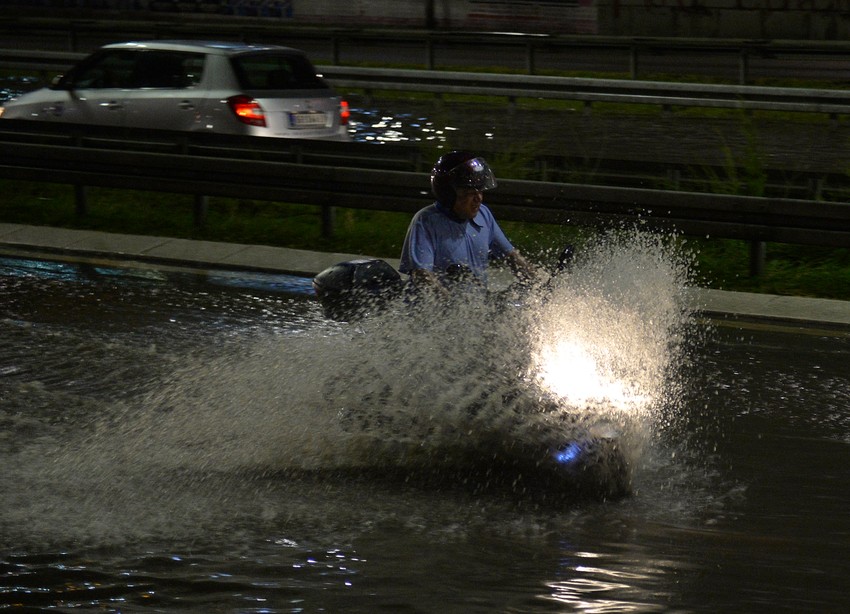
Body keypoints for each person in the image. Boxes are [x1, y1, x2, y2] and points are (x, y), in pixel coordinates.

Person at [399, 151, 536, 295]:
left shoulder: (483, 215)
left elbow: (512, 258)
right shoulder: (426, 221)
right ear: (448, 194)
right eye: (469, 192)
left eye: (480, 191)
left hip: (477, 308)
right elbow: (422, 276)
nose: (479, 198)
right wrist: (449, 303)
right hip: (441, 310)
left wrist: (539, 286)